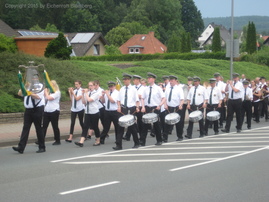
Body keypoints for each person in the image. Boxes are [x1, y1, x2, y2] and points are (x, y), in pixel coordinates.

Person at [13, 86, 46, 153]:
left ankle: (42, 147)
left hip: (37, 109)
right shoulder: (26, 87)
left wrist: (28, 92)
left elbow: (37, 97)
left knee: (38, 128)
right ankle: (21, 147)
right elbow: (19, 93)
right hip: (28, 110)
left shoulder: (39, 86)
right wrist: (23, 87)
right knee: (25, 128)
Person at [113, 73, 140, 150]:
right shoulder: (122, 89)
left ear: (129, 80)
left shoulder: (134, 89)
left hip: (131, 109)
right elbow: (118, 100)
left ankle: (136, 143)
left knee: (132, 127)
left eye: (125, 79)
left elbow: (137, 100)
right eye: (123, 80)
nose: (124, 81)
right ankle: (119, 145)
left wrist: (137, 107)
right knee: (120, 126)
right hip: (123, 109)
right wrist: (118, 107)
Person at [140, 72, 165, 146]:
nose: (148, 79)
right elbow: (142, 98)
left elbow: (164, 98)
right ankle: (142, 141)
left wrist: (159, 105)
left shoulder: (158, 88)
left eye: (150, 78)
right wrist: (143, 107)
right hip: (148, 107)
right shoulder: (146, 89)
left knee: (156, 125)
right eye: (148, 78)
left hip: (155, 107)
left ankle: (159, 140)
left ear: (153, 79)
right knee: (145, 125)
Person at [74, 81, 101, 147]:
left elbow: (89, 100)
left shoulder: (96, 93)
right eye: (89, 85)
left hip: (94, 112)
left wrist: (85, 93)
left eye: (91, 85)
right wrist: (83, 94)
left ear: (94, 86)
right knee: (85, 126)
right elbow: (84, 102)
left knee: (95, 127)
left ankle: (98, 140)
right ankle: (81, 142)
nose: (90, 87)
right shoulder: (88, 93)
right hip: (87, 112)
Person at [123, 75, 145, 141]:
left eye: (135, 80)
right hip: (133, 106)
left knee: (140, 122)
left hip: (140, 105)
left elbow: (142, 96)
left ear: (138, 80)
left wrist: (138, 96)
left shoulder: (143, 88)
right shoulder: (132, 87)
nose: (134, 81)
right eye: (133, 80)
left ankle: (141, 136)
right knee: (131, 120)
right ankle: (128, 135)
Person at [163, 75, 184, 142]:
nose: (170, 81)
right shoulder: (167, 88)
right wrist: (165, 105)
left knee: (178, 123)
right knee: (167, 123)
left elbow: (182, 99)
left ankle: (180, 136)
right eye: (170, 80)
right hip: (169, 108)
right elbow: (165, 98)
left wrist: (181, 105)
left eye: (172, 80)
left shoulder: (179, 89)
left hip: (176, 108)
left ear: (175, 81)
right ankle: (165, 137)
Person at [43, 80, 61, 145]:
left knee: (55, 126)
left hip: (54, 111)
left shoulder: (57, 92)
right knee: (44, 126)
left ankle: (57, 140)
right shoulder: (49, 92)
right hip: (47, 110)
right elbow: (45, 99)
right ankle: (41, 139)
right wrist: (46, 92)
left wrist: (46, 92)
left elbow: (49, 98)